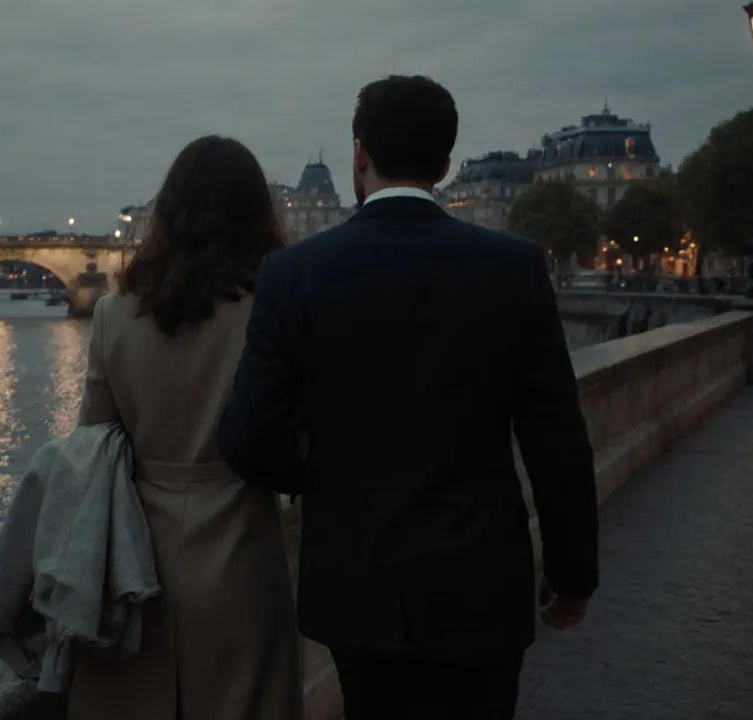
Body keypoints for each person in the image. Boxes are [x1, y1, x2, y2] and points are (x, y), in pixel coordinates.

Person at [218, 75, 600, 719]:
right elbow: (556, 440)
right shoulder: (514, 267)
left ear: (358, 154)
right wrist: (573, 573)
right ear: (447, 164)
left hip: (354, 583)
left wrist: (323, 477)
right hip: (480, 584)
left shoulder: (294, 273)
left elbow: (248, 436)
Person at [69, 135, 302, 719]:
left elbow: (92, 442)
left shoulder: (112, 315)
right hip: (243, 540)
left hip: (137, 554)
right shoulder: (276, 306)